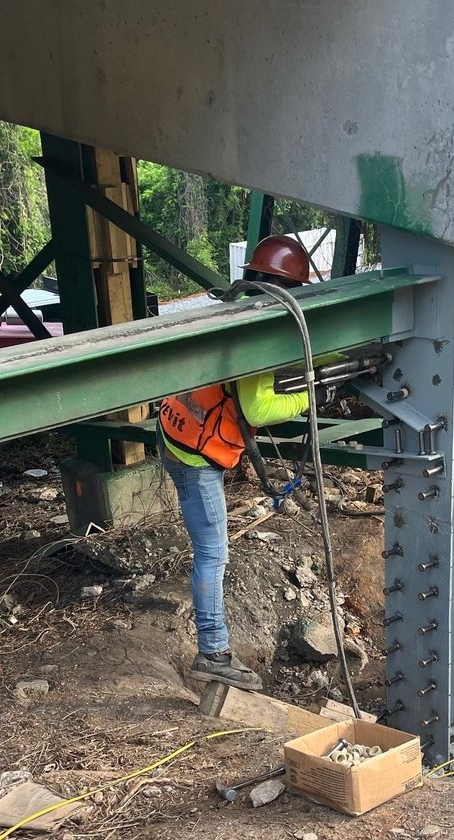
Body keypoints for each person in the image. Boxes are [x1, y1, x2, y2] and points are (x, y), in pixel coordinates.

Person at [157, 235, 314, 692]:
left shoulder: (237, 309)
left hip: (175, 434)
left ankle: (213, 649)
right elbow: (258, 409)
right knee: (212, 553)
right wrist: (310, 395)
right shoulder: (259, 329)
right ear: (290, 287)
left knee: (210, 549)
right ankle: (214, 653)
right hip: (194, 456)